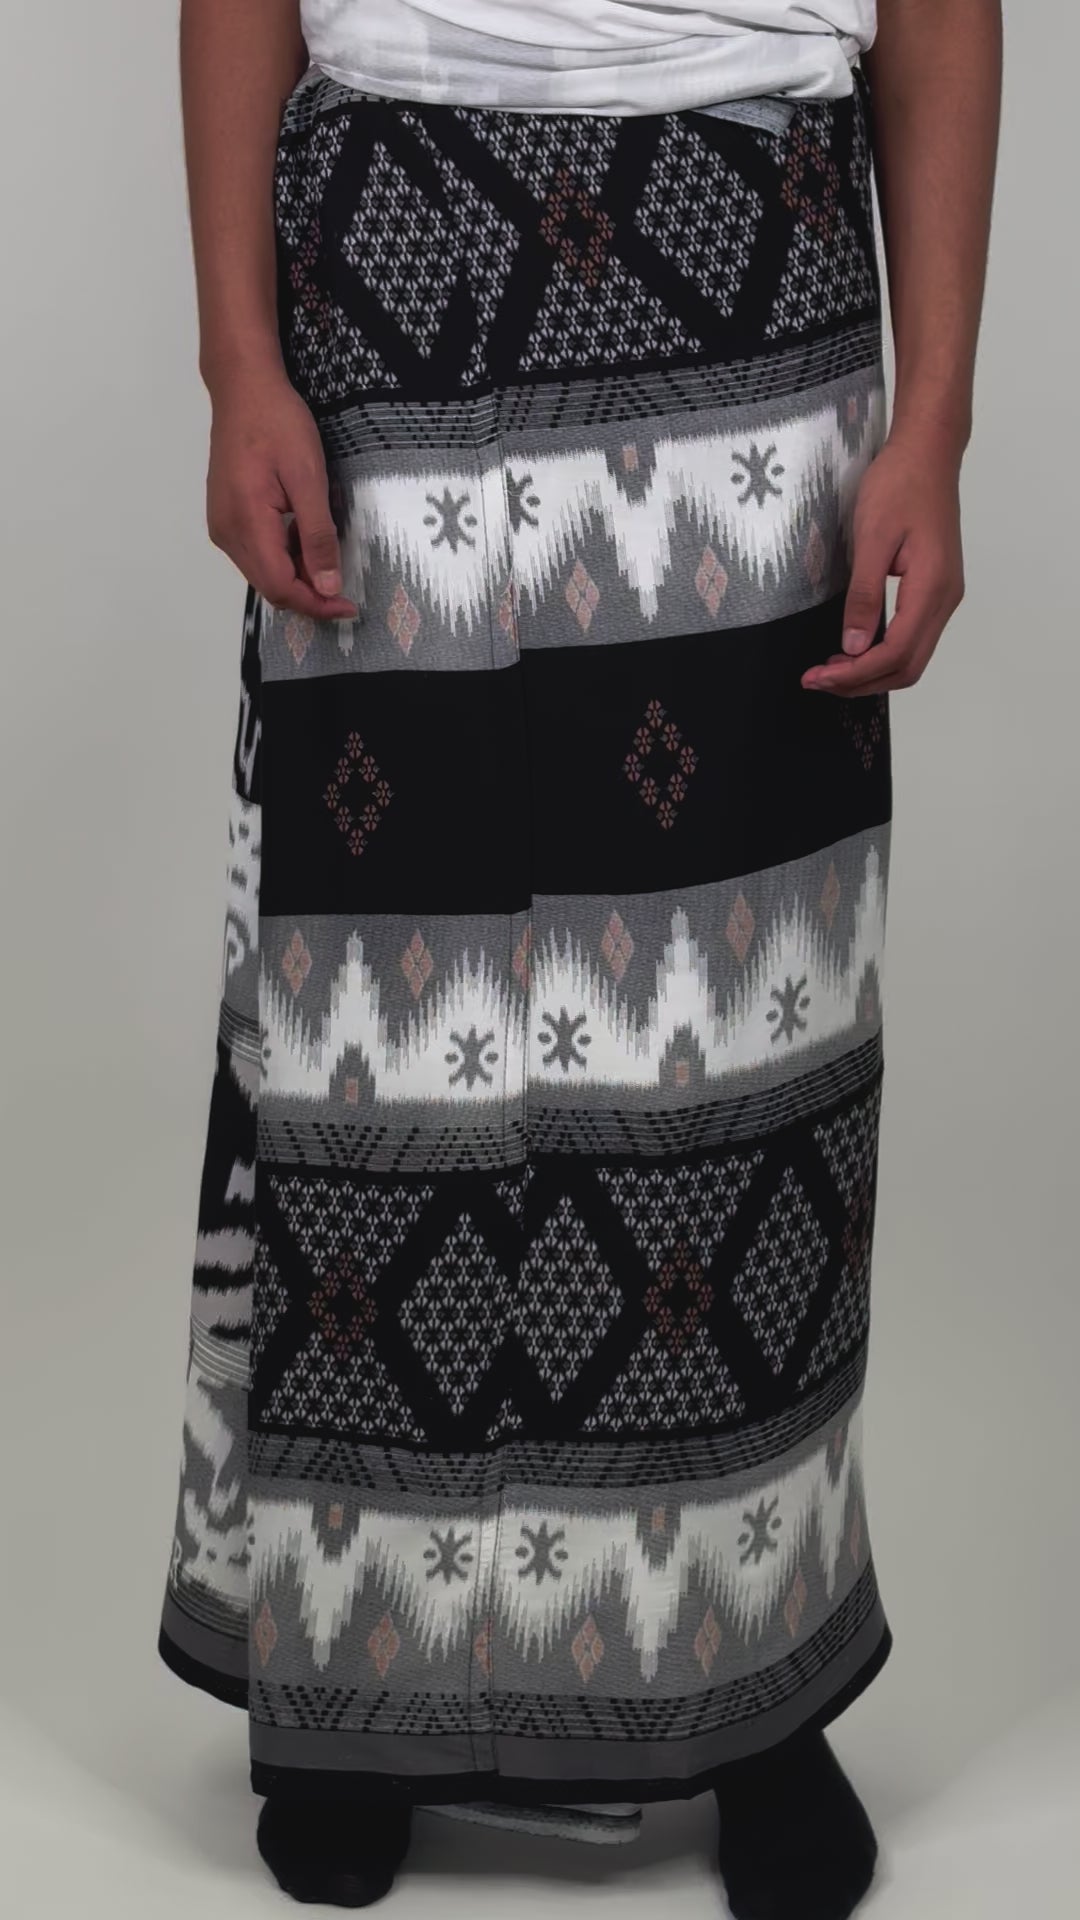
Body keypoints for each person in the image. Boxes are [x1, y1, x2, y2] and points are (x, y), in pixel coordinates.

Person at [158, 3, 1002, 1913]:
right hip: (389, 256)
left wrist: (937, 419)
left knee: (737, 1014)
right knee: (371, 1004)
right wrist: (238, 363)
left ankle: (751, 1675)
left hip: (753, 249)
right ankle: (359, 1662)